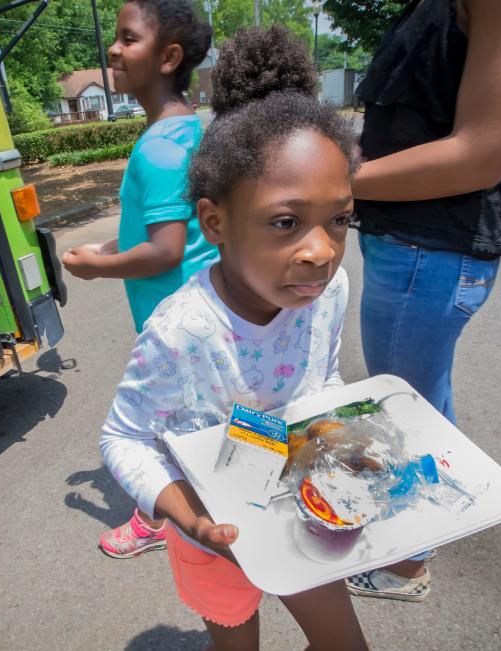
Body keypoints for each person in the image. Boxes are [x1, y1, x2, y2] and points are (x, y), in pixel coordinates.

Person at [99, 26, 367, 650]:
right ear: (215, 222)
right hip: (212, 535)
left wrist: (343, 434)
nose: (322, 251)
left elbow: (320, 381)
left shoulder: (329, 291)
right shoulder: (183, 331)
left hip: (300, 507)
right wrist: (184, 513)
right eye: (285, 222)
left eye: (339, 220)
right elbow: (124, 436)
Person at [345, 0, 501, 601]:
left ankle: (405, 563)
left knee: (404, 412)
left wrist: (328, 182)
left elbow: (482, 150)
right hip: (412, 249)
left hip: (427, 252)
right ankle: (431, 516)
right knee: (423, 402)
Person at [61, 0, 217, 559]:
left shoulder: (156, 149)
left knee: (156, 425)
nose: (113, 49)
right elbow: (167, 226)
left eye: (129, 39)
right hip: (200, 310)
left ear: (169, 56)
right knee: (198, 417)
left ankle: (158, 518)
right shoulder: (185, 129)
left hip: (170, 321)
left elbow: (165, 249)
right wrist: (109, 244)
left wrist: (94, 267)